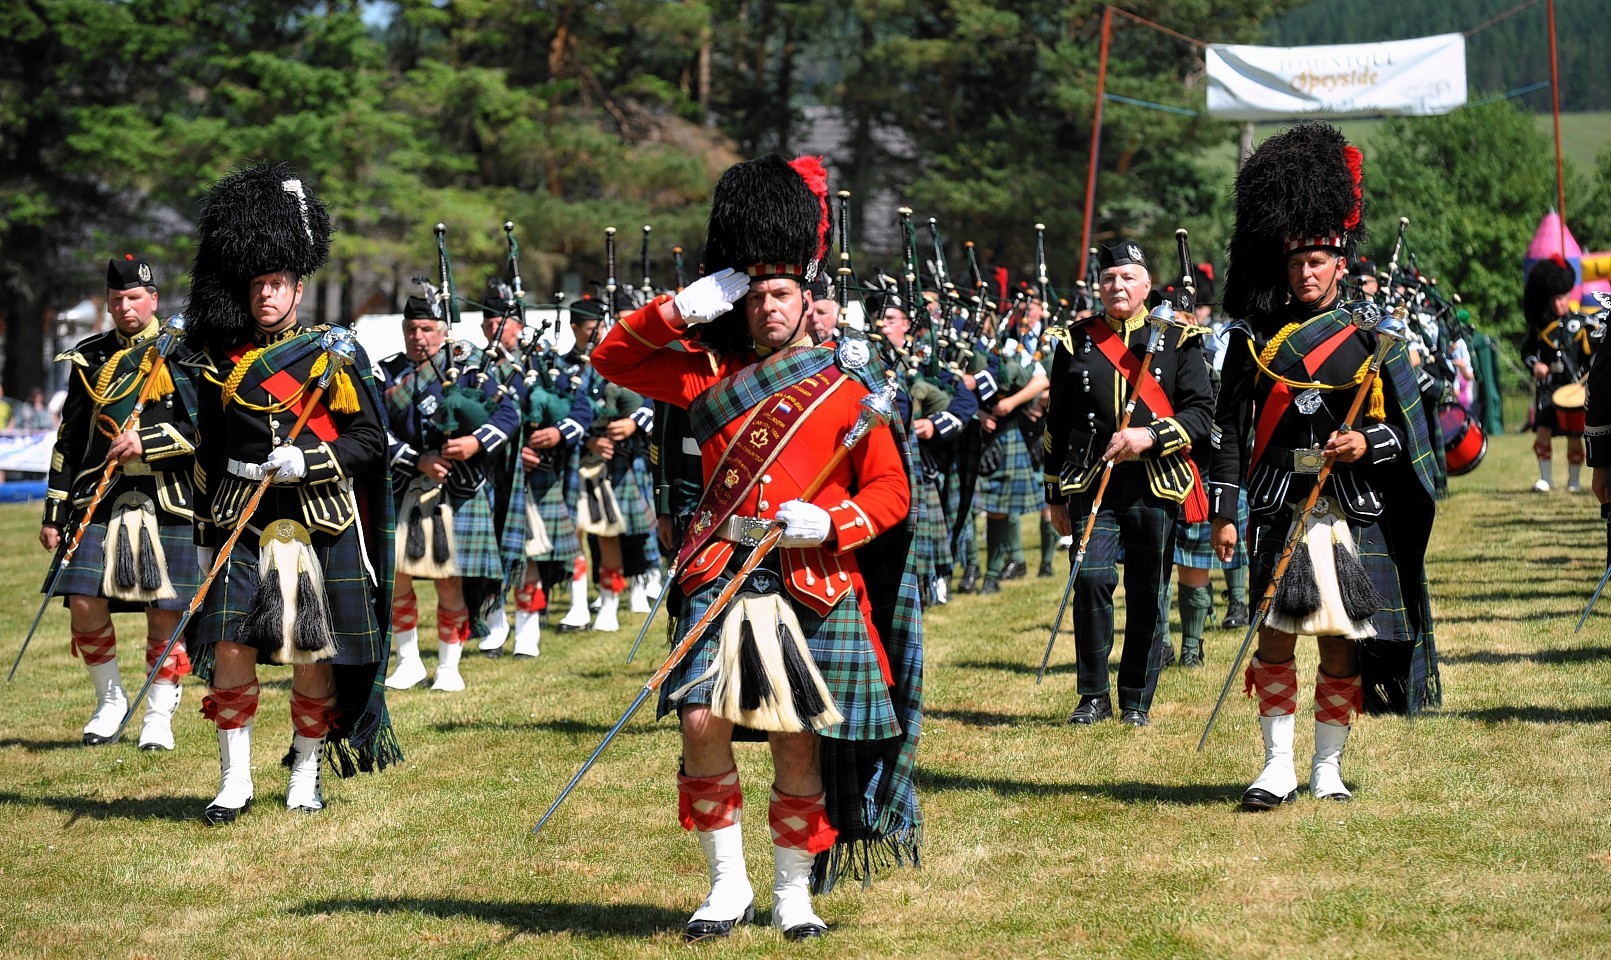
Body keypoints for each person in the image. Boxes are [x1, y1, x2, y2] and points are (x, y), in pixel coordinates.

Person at [591, 153, 922, 941]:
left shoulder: (847, 387)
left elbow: (890, 492)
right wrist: (683, 305)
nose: (769, 307)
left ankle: (794, 894)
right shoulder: (703, 372)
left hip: (809, 574)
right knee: (700, 723)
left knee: (793, 732)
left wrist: (831, 525)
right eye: (756, 295)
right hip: (720, 567)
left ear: (808, 301)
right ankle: (725, 886)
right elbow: (612, 355)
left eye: (782, 294)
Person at [1210, 123, 1439, 810]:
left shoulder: (1372, 344)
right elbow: (1228, 430)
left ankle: (1325, 769)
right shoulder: (1254, 343)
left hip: (1344, 507)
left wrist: (1364, 446)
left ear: (1340, 264)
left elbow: (1405, 440)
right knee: (1275, 634)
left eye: (1318, 262)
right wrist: (1224, 510)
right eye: (1296, 263)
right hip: (1280, 500)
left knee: (1339, 640)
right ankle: (1275, 767)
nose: (1306, 274)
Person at [181, 162, 400, 823]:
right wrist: (203, 526)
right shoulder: (224, 363)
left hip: (316, 518)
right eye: (257, 286)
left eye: (276, 285)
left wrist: (312, 457)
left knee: (310, 652)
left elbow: (371, 441)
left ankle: (304, 775)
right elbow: (210, 452)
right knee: (228, 646)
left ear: (297, 289)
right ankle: (234, 783)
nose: (266, 296)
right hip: (241, 518)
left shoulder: (332, 354)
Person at [1043, 241, 1213, 726]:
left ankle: (1136, 698)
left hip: (1156, 483)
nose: (1116, 287)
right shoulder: (1075, 341)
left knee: (1147, 593)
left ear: (1145, 285)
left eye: (1127, 278)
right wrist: (1054, 491)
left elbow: (1201, 414)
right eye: (1108, 279)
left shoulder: (1179, 341)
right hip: (1092, 482)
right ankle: (1093, 695)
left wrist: (1148, 436)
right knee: (1091, 580)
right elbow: (1057, 420)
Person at [39, 255, 203, 750]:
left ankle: (158, 714)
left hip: (168, 496)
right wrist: (55, 513)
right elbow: (68, 440)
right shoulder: (90, 356)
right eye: (115, 300)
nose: (124, 307)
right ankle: (109, 702)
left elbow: (206, 431)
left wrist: (147, 443)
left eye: (134, 298)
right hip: (101, 494)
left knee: (164, 609)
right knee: (85, 601)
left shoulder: (184, 352)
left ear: (153, 299)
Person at [380, 293, 521, 691]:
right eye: (411, 329)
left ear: (443, 333)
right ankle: (408, 662)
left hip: (458, 488)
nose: (418, 336)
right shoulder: (389, 373)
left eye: (426, 329)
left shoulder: (469, 369)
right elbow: (375, 428)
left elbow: (510, 413)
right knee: (398, 577)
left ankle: (448, 667)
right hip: (408, 484)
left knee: (448, 581)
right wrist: (415, 459)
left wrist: (476, 442)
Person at [1523, 256, 1588, 493]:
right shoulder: (1541, 327)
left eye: (1561, 298)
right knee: (1542, 431)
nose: (1558, 304)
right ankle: (1546, 478)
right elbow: (1527, 352)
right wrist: (1535, 365)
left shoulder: (1581, 323)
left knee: (1574, 434)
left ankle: (1574, 481)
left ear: (1568, 296)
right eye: (1554, 299)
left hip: (1572, 386)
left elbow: (1590, 355)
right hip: (1548, 386)